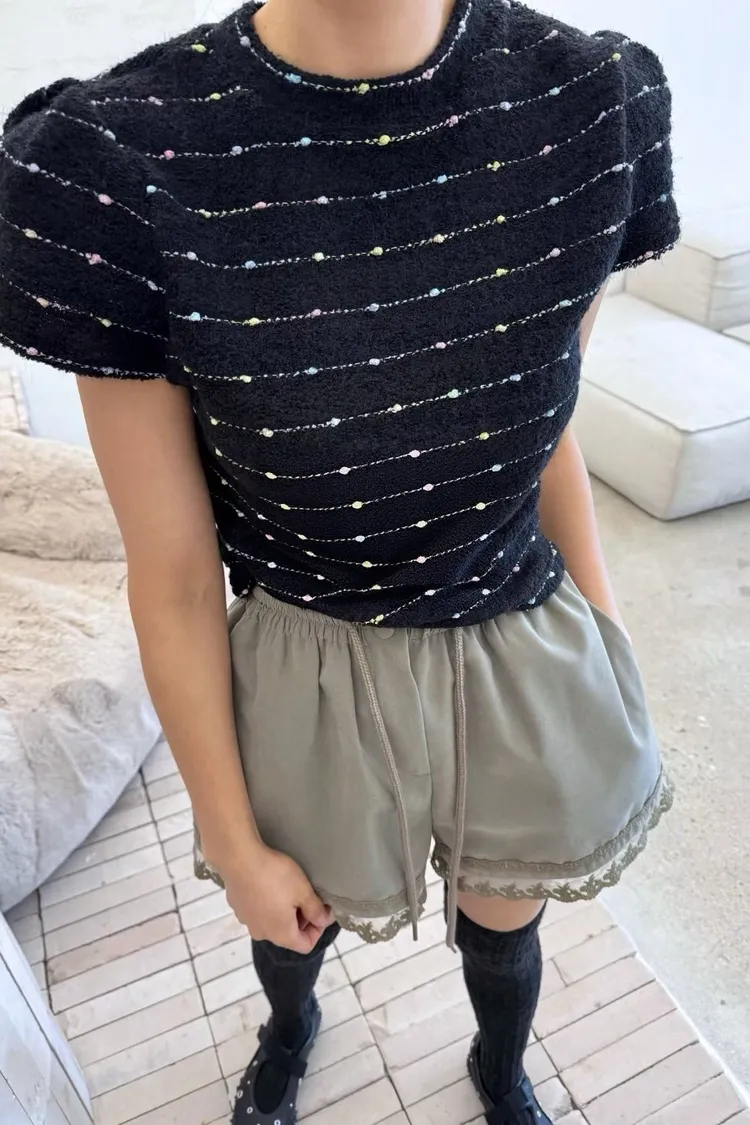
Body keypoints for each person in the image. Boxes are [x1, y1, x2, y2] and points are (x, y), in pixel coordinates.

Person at [0, 0, 680, 1121]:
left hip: (518, 624)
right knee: (289, 921)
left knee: (506, 922)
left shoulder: (589, 105)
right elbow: (174, 573)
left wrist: (606, 645)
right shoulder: (121, 162)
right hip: (304, 650)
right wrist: (231, 842)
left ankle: (500, 1067)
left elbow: (546, 429)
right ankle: (289, 1029)